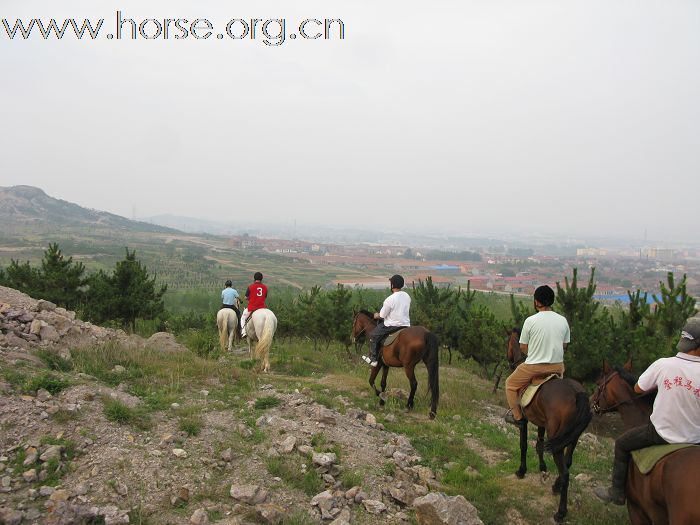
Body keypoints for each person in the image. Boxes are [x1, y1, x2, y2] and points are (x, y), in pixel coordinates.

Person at [594, 317, 700, 505]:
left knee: (622, 444)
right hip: (696, 438)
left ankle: (617, 493)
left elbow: (637, 389)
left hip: (661, 434)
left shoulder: (663, 365)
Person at [504, 285, 570, 428]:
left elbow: (522, 346)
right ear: (551, 301)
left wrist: (533, 354)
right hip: (558, 367)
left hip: (534, 367)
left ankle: (518, 418)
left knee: (510, 384)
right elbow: (565, 345)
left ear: (536, 302)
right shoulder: (563, 320)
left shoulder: (530, 321)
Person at [362, 274, 411, 367]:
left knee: (373, 335)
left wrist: (376, 315)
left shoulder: (390, 299)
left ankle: (374, 359)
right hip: (405, 324)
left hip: (392, 325)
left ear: (392, 285)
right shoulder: (407, 296)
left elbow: (382, 315)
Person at [240, 272, 268, 338]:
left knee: (243, 317)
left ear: (254, 278)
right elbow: (264, 297)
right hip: (262, 307)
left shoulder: (250, 287)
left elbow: (246, 297)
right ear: (261, 279)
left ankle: (243, 332)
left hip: (252, 307)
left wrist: (250, 298)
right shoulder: (265, 287)